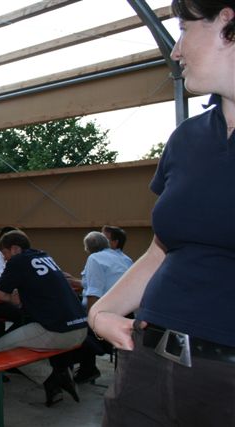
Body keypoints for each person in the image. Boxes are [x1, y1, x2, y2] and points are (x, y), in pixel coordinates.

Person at [89, 2, 235, 425]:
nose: (175, 50)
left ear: (227, 22)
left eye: (184, 28)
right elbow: (160, 251)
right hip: (147, 363)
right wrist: (101, 312)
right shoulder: (187, 139)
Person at [0, 230, 87, 407]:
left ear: (14, 249)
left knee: (1, 347)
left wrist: (11, 299)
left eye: (4, 253)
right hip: (81, 327)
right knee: (28, 340)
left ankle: (52, 379)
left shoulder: (18, 261)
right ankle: (58, 378)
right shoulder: (45, 256)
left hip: (59, 331)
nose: (4, 258)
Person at [73, 231, 133, 383]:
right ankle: (88, 367)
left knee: (73, 326)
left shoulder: (94, 258)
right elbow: (108, 283)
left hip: (106, 318)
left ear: (87, 248)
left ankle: (87, 369)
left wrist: (91, 321)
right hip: (126, 314)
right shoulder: (125, 258)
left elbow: (94, 293)